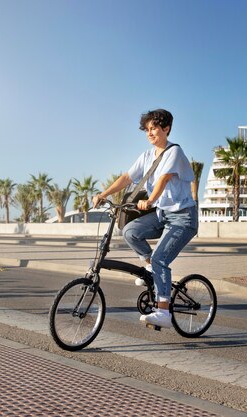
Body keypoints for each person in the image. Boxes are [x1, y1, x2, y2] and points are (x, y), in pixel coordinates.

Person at [92, 109, 198, 328]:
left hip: (183, 218)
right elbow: (126, 178)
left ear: (166, 128)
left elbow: (164, 180)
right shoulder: (147, 156)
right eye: (147, 129)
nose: (150, 133)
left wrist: (149, 201)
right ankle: (151, 267)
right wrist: (104, 194)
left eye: (154, 128)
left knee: (161, 259)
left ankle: (164, 312)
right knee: (130, 231)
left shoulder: (174, 153)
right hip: (162, 215)